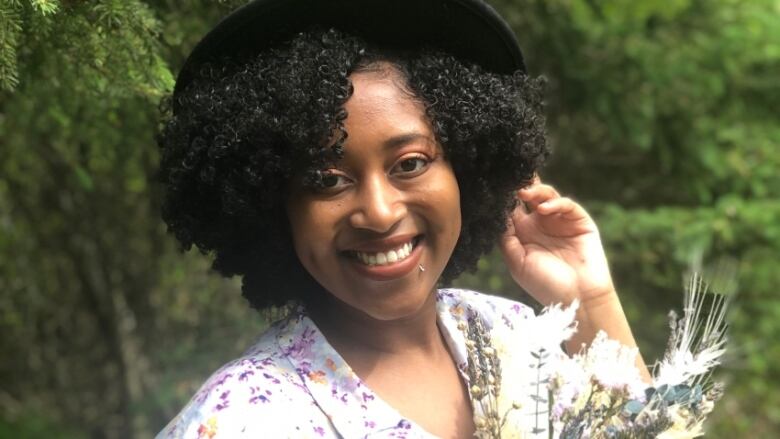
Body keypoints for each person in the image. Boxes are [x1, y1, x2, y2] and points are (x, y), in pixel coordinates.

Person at [156, 0, 648, 437]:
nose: (379, 211)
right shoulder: (245, 419)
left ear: (465, 166)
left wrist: (588, 301)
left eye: (410, 164)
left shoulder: (511, 336)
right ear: (273, 205)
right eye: (327, 180)